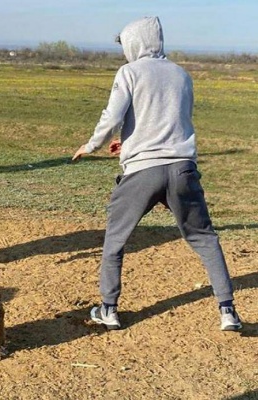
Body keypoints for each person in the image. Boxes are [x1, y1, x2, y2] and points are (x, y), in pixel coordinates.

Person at [72, 16, 242, 331]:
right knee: (205, 238)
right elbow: (171, 121)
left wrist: (91, 144)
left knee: (115, 241)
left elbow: (112, 116)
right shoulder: (182, 75)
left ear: (135, 42)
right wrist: (127, 142)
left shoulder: (129, 72)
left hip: (142, 173)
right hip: (182, 168)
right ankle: (228, 311)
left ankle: (108, 309)